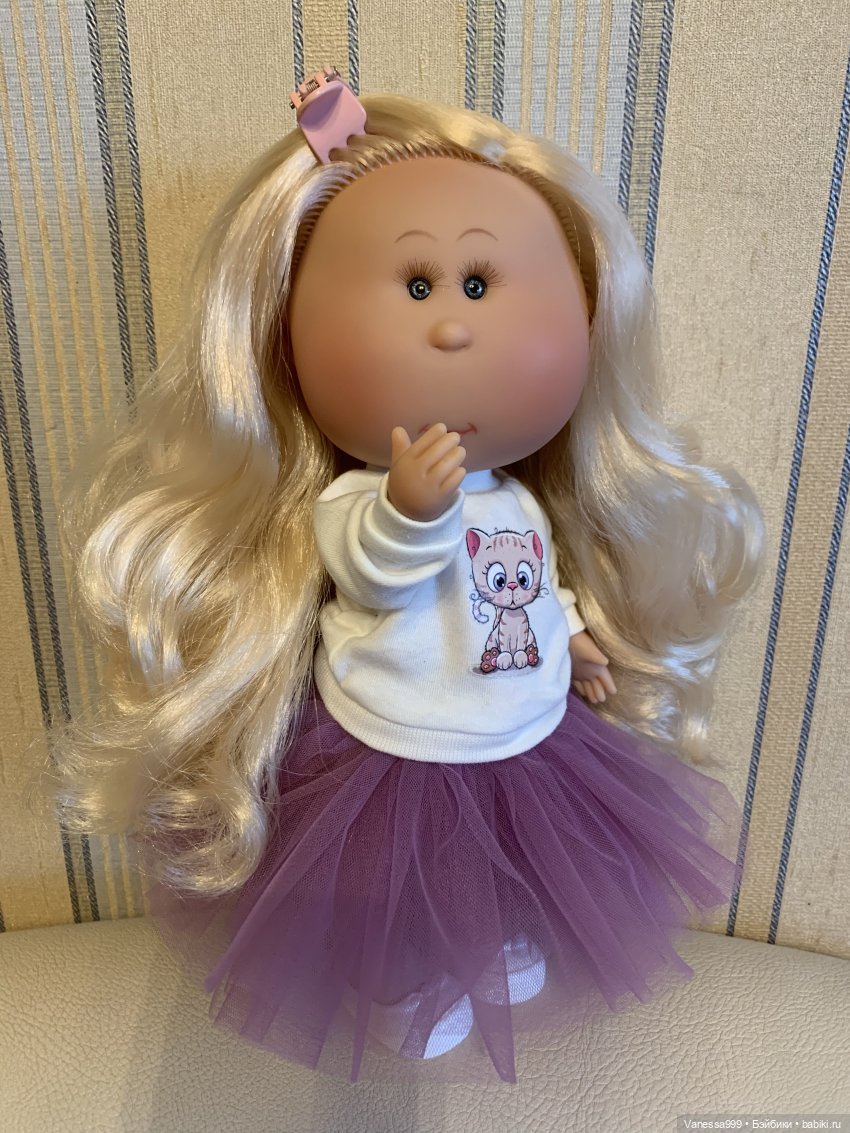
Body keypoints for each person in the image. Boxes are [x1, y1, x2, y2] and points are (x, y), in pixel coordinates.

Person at [40, 73, 764, 1084]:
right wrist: (411, 511)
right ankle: (412, 977)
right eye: (418, 286)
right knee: (399, 885)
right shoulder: (358, 501)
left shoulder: (516, 497)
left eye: (481, 284)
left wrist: (572, 635)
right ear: (284, 336)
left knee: (515, 856)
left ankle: (494, 938)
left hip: (522, 727)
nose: (453, 327)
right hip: (389, 748)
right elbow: (374, 576)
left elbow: (525, 577)